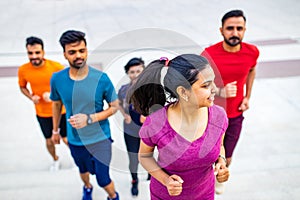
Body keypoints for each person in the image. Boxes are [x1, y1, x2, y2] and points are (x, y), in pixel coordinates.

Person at [128, 54, 229, 199]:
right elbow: (144, 156)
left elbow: (220, 145)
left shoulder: (218, 117)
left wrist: (222, 161)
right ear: (183, 92)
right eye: (206, 85)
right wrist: (166, 180)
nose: (214, 89)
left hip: (205, 194)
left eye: (213, 82)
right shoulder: (156, 122)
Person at [50, 30, 119, 200]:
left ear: (87, 50)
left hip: (101, 139)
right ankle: (87, 187)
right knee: (83, 170)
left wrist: (90, 119)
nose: (78, 56)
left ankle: (113, 196)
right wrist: (55, 130)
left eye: (82, 50)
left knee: (103, 179)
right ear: (65, 54)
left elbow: (115, 106)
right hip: (75, 140)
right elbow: (57, 104)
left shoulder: (101, 78)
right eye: (72, 52)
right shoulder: (57, 79)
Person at [201, 9, 259, 193]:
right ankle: (205, 181)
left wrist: (247, 97)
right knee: (209, 154)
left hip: (235, 114)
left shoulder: (252, 52)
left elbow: (251, 71)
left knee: (229, 154)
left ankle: (220, 176)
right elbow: (197, 83)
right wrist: (219, 91)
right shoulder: (208, 54)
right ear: (221, 30)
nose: (235, 33)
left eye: (239, 28)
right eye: (230, 28)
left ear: (245, 30)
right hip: (210, 115)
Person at [18, 36, 67, 171]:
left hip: (61, 111)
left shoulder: (56, 67)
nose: (34, 56)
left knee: (68, 139)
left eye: (37, 52)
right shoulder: (23, 70)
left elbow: (68, 88)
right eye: (30, 53)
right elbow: (22, 87)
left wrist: (53, 96)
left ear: (43, 52)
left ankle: (79, 160)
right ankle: (55, 159)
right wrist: (31, 96)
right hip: (42, 113)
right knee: (49, 140)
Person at [118, 57, 145, 196]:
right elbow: (118, 103)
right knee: (133, 159)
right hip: (130, 130)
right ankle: (134, 180)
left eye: (139, 71)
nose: (135, 74)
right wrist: (125, 115)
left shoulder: (150, 88)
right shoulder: (123, 90)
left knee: (147, 155)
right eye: (132, 72)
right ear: (128, 73)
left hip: (147, 130)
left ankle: (152, 172)